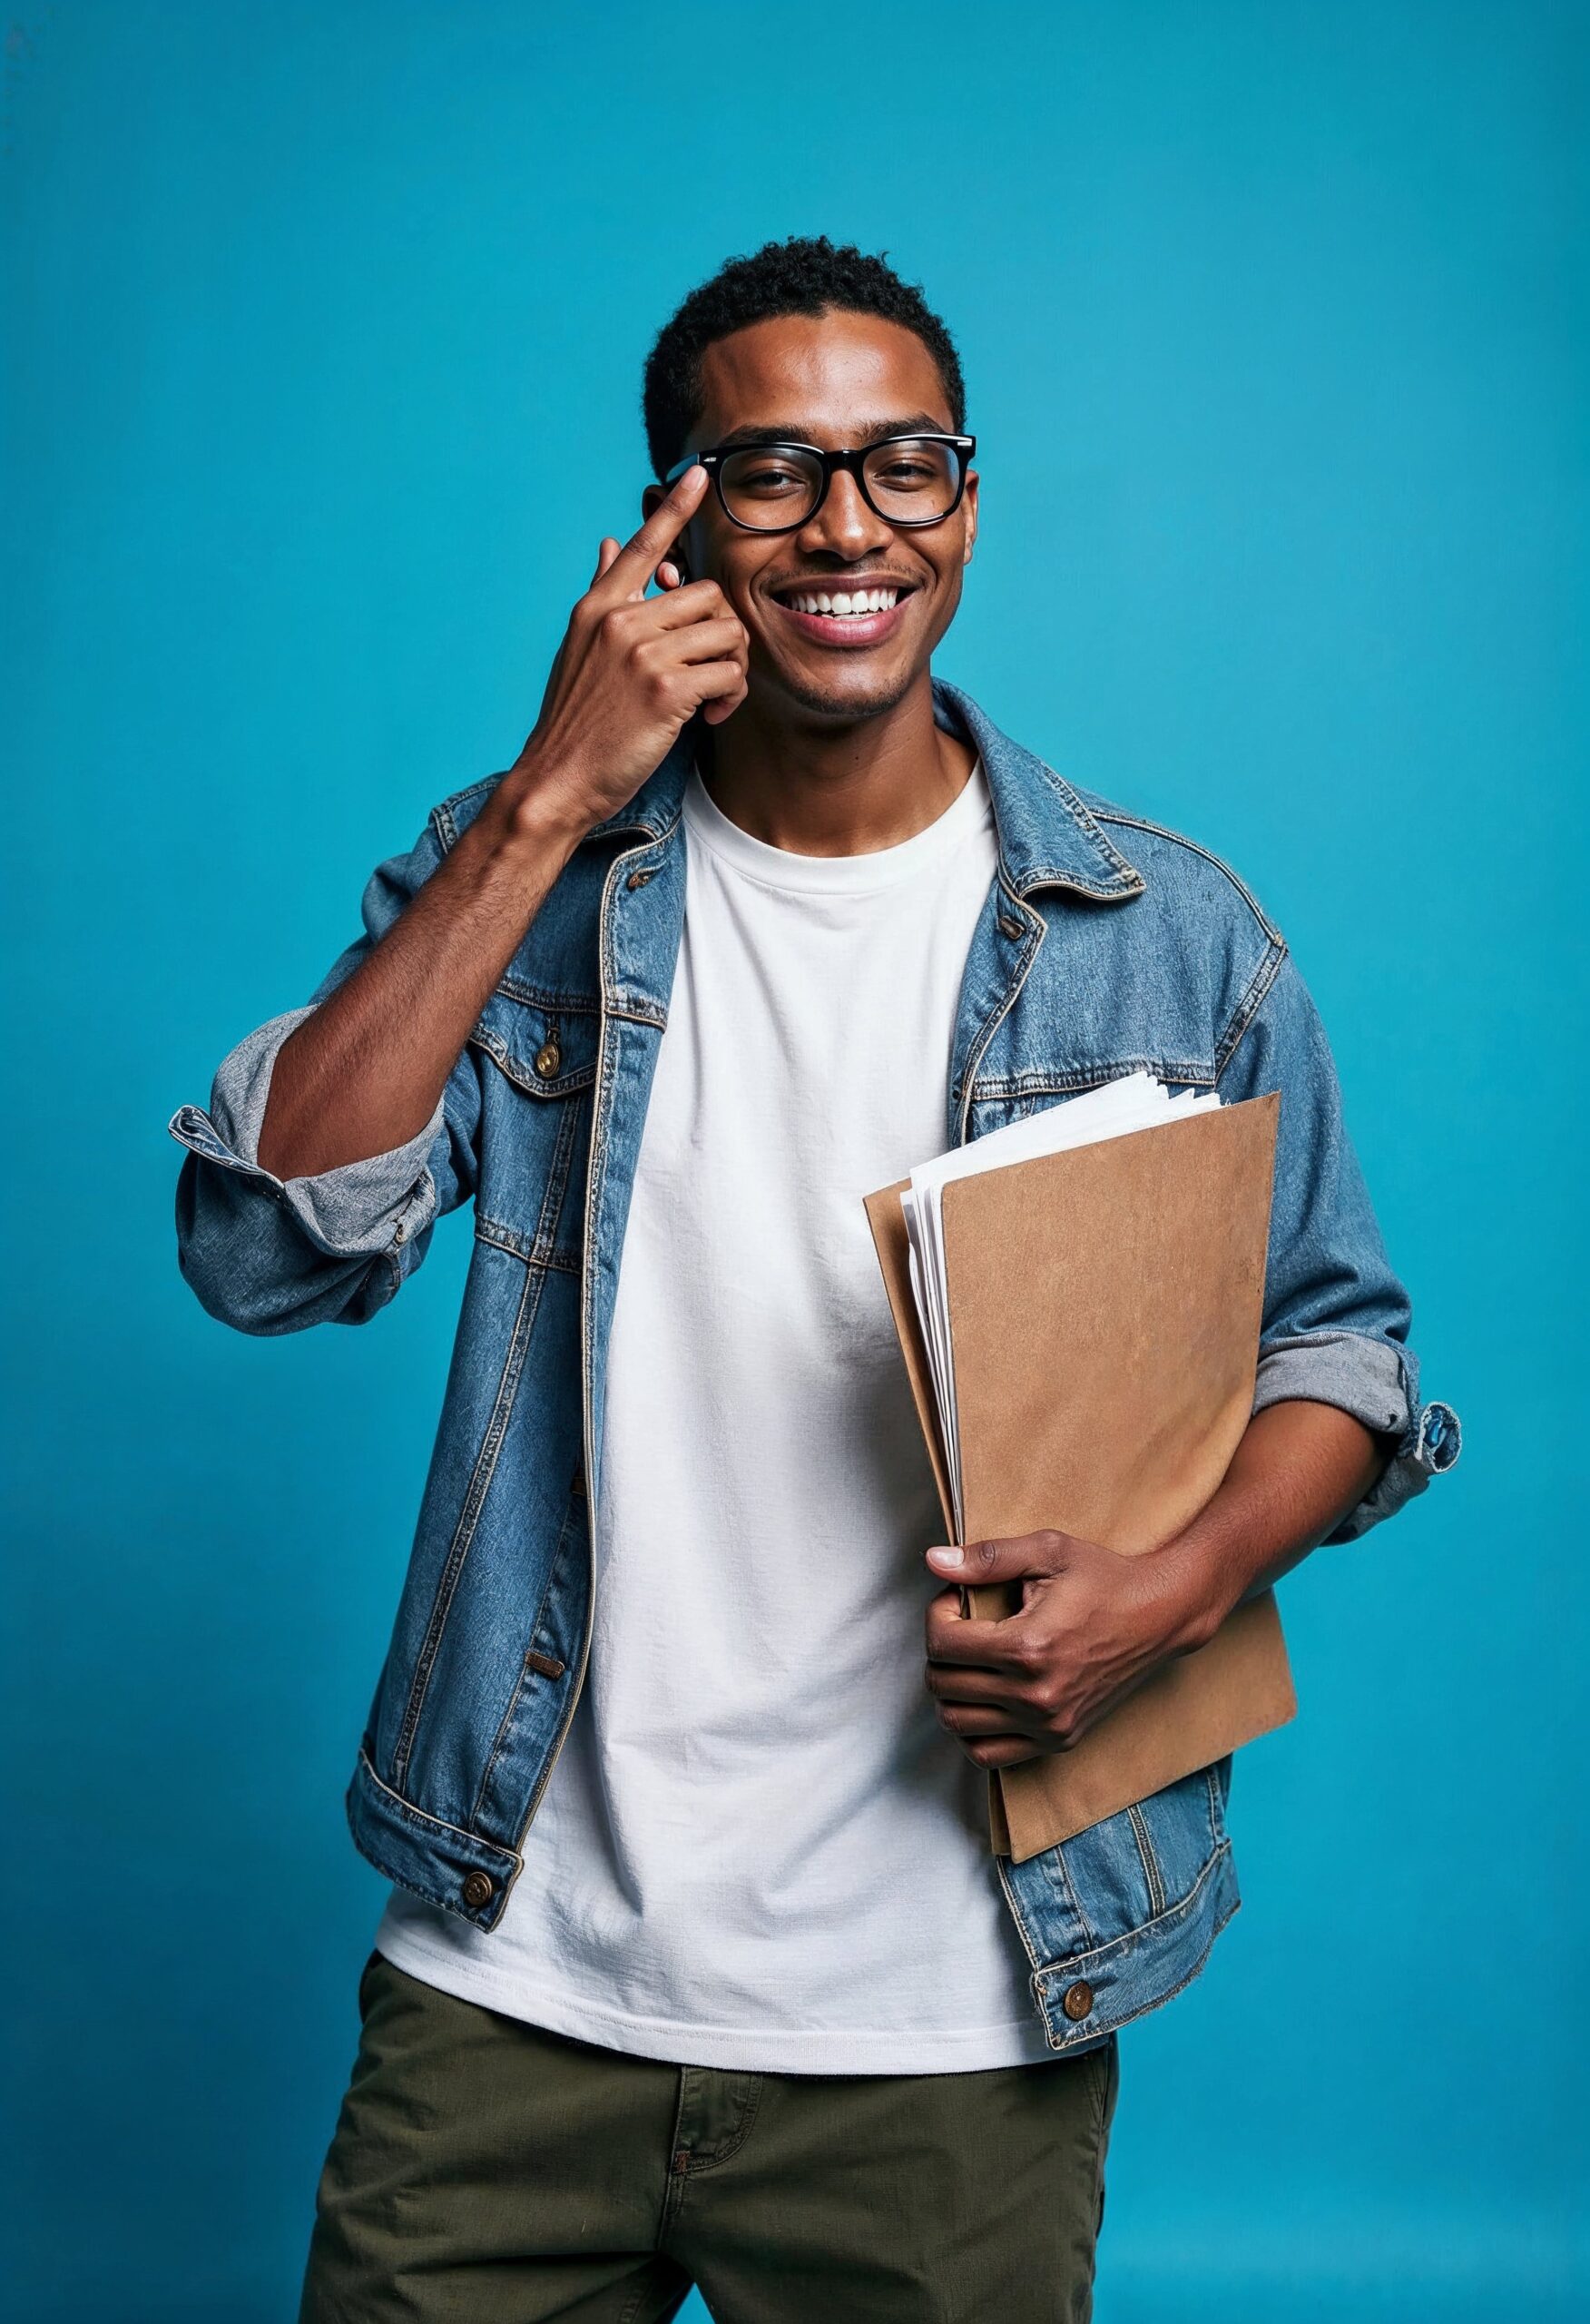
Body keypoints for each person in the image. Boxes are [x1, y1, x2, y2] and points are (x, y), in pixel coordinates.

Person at [169, 236, 1459, 2323]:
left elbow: (1339, 1347)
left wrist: (1177, 1586)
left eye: (903, 465)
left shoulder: (1168, 934)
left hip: (949, 2025)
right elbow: (261, 1245)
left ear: (968, 499)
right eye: (767, 472)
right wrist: (540, 806)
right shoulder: (526, 881)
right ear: (667, 531)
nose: (845, 524)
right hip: (516, 1985)